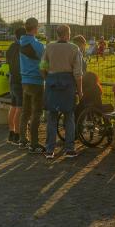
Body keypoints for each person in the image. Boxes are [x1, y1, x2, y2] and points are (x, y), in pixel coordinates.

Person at [41, 24, 83, 159]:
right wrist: (80, 91)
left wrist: (47, 78)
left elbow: (42, 67)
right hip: (68, 84)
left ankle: (49, 150)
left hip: (52, 82)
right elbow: (78, 73)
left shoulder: (49, 47)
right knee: (69, 116)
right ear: (68, 34)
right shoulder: (74, 48)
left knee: (52, 117)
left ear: (57, 34)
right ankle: (69, 149)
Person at [19, 18, 46, 152]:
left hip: (25, 80)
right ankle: (34, 143)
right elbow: (44, 64)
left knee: (25, 111)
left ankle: (22, 139)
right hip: (37, 81)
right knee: (36, 113)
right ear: (35, 28)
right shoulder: (39, 46)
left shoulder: (21, 42)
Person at [5, 27, 25, 145]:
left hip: (12, 80)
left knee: (13, 106)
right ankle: (17, 135)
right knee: (20, 108)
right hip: (19, 80)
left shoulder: (11, 47)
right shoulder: (21, 48)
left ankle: (11, 132)